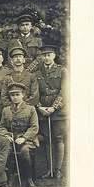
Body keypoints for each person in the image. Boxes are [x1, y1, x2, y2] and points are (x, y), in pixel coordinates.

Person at [35, 44, 68, 179]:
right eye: (44, 55)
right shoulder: (37, 73)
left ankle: (58, 169)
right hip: (43, 110)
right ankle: (49, 170)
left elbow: (65, 91)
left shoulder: (62, 71)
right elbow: (35, 93)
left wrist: (54, 107)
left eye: (49, 55)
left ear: (54, 56)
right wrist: (39, 107)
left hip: (59, 111)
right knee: (47, 140)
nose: (46, 57)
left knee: (58, 138)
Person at [0, 83, 39, 187]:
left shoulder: (30, 109)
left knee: (25, 151)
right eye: (12, 95)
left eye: (17, 94)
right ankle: (10, 177)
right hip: (11, 139)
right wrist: (6, 135)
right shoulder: (6, 110)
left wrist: (24, 138)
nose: (15, 98)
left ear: (23, 95)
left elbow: (34, 127)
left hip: (27, 139)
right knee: (6, 150)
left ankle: (29, 179)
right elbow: (2, 127)